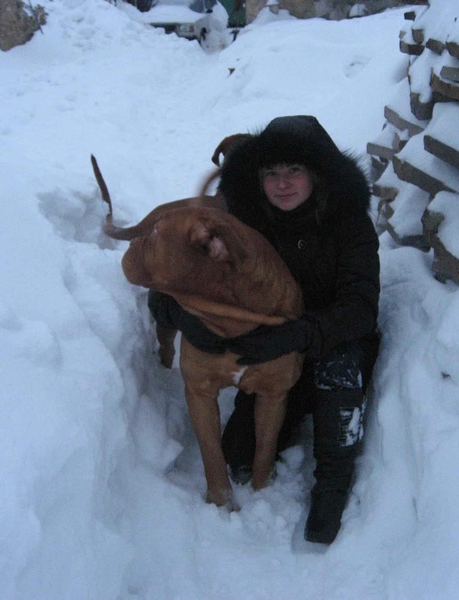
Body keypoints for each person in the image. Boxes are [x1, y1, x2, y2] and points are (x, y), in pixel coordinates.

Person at [149, 115, 380, 544]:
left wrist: (297, 335)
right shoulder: (240, 217)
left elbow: (360, 308)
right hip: (268, 349)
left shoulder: (348, 221)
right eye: (271, 173)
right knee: (238, 455)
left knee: (337, 381)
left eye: (294, 170)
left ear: (317, 174)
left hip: (331, 336)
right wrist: (189, 323)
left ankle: (333, 480)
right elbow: (173, 278)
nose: (282, 184)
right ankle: (294, 402)